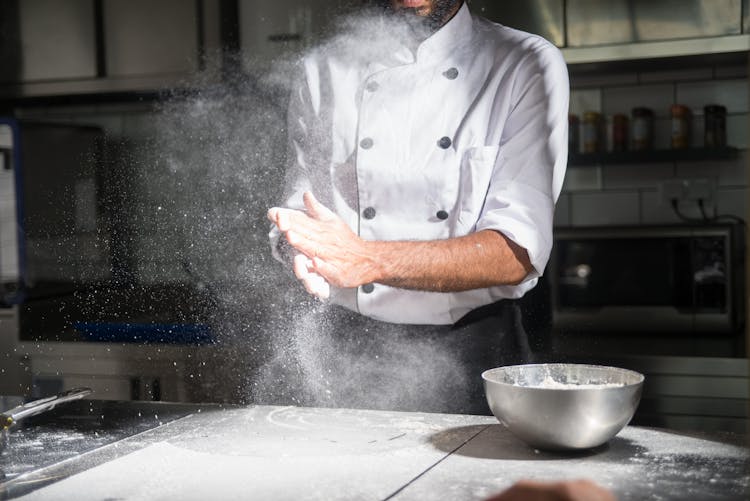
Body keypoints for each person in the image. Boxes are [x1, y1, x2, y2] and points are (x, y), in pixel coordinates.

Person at [267, 0, 568, 414]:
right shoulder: (321, 70)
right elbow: (302, 210)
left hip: (473, 353)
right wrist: (297, 246)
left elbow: (515, 253)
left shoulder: (522, 63)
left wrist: (367, 260)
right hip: (345, 349)